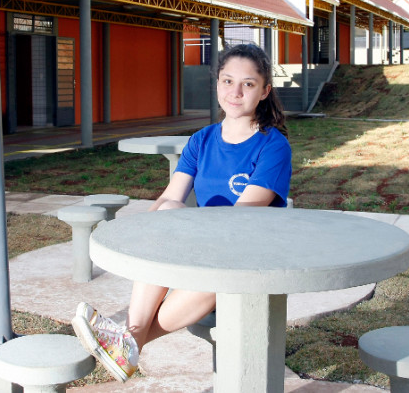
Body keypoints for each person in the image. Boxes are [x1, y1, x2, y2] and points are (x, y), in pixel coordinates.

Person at [71, 43, 293, 383]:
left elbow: (243, 216)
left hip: (250, 258)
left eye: (248, 84)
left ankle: (129, 340)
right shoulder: (202, 140)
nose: (235, 92)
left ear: (264, 91)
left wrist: (180, 232)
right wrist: (150, 234)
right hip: (206, 250)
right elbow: (168, 198)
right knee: (169, 210)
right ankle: (129, 338)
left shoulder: (272, 145)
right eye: (227, 81)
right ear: (216, 84)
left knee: (213, 270)